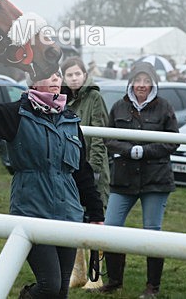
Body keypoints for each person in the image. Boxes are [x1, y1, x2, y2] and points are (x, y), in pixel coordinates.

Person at [0, 70, 104, 299]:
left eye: (58, 75)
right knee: (49, 285)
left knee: (61, 290)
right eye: (48, 74)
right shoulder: (16, 114)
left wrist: (95, 213)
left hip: (68, 214)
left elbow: (81, 171)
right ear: (32, 82)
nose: (56, 79)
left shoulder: (71, 120)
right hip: (31, 211)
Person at [95, 62, 178, 298]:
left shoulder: (164, 107)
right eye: (137, 80)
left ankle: (153, 286)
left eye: (146, 80)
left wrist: (145, 151)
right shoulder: (119, 107)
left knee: (151, 232)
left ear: (152, 83)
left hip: (156, 179)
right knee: (110, 228)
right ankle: (114, 280)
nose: (141, 85)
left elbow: (172, 141)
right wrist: (130, 150)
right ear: (131, 82)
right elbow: (108, 138)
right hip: (123, 178)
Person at [60, 57, 109, 290]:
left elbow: (99, 135)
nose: (73, 78)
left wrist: (95, 168)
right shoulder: (64, 99)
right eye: (69, 75)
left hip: (91, 167)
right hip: (72, 168)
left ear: (84, 74)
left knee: (95, 217)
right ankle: (77, 272)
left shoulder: (95, 98)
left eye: (77, 74)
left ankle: (96, 275)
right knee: (74, 217)